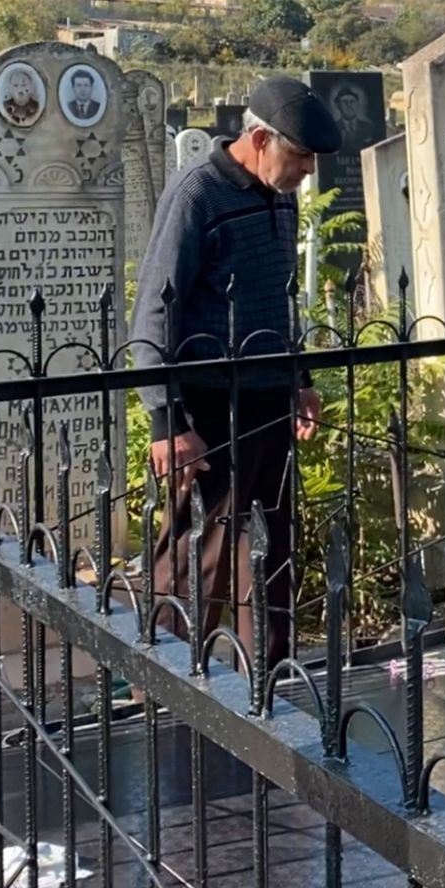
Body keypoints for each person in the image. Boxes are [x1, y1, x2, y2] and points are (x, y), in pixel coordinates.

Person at [130, 77, 339, 676]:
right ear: (258, 138)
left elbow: (278, 297)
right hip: (207, 404)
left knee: (271, 548)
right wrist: (167, 422)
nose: (305, 171)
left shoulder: (280, 193)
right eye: (298, 156)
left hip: (269, 397)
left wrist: (297, 378)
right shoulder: (197, 193)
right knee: (203, 552)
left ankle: (268, 681)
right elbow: (154, 310)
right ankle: (166, 683)